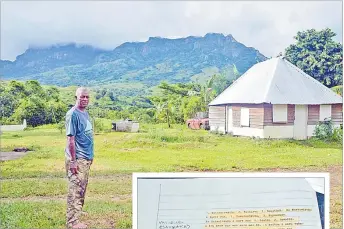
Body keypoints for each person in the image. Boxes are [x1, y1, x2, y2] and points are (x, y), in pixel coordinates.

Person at [65, 87, 94, 228]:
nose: (85, 99)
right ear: (76, 97)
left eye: (87, 97)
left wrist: (91, 156)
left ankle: (77, 214)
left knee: (82, 189)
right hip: (78, 158)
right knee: (75, 190)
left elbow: (86, 136)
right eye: (82, 97)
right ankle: (72, 222)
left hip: (86, 158)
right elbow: (71, 139)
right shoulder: (73, 114)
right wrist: (73, 161)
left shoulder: (85, 113)